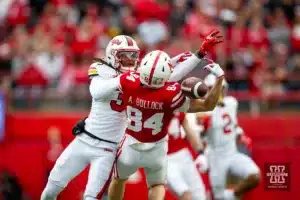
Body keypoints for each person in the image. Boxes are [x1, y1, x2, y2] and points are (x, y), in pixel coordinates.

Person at [41, 31, 222, 200]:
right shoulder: (107, 70)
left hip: (110, 148)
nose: (130, 60)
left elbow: (168, 76)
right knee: (51, 189)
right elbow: (97, 91)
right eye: (124, 56)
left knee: (91, 197)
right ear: (112, 55)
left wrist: (194, 56)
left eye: (133, 55)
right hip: (85, 139)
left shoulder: (135, 77)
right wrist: (125, 78)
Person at [108, 50, 225, 200]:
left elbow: (148, 74)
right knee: (157, 186)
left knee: (118, 179)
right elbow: (208, 105)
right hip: (156, 149)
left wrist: (175, 60)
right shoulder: (172, 95)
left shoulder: (128, 82)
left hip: (130, 144)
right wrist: (219, 79)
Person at [198, 74, 260, 200]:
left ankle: (231, 196)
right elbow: (199, 137)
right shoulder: (202, 112)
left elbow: (233, 124)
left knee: (255, 176)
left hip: (232, 154)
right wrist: (202, 129)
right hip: (215, 159)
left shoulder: (231, 103)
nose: (219, 93)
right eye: (215, 89)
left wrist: (239, 134)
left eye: (221, 89)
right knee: (217, 196)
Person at [167, 112, 207, 200]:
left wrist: (201, 153)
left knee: (200, 196)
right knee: (185, 194)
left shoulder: (177, 106)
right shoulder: (149, 107)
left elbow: (189, 131)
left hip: (183, 156)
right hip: (164, 160)